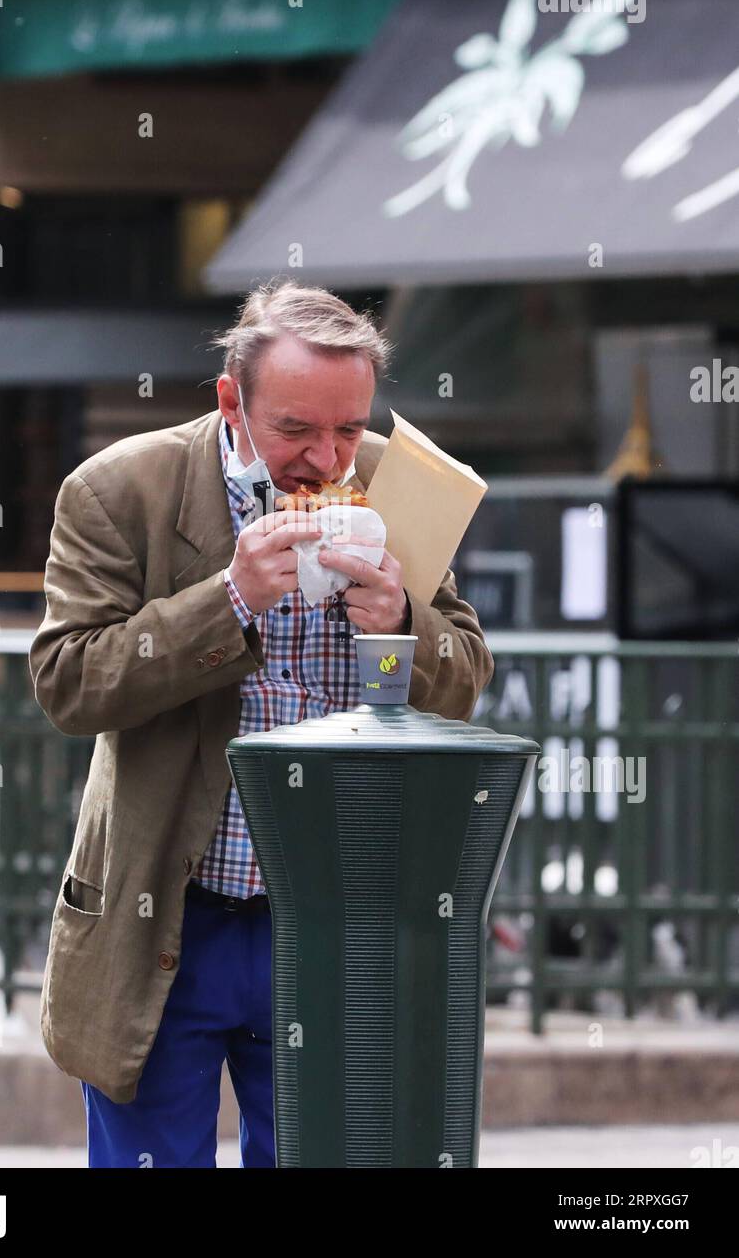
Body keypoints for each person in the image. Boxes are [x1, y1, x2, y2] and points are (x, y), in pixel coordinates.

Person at [29, 280, 494, 1168]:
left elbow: (464, 679)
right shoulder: (119, 487)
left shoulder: (407, 483)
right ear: (231, 401)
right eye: (296, 430)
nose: (327, 458)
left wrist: (402, 624)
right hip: (166, 910)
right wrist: (229, 602)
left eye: (350, 428)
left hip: (331, 920)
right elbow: (67, 683)